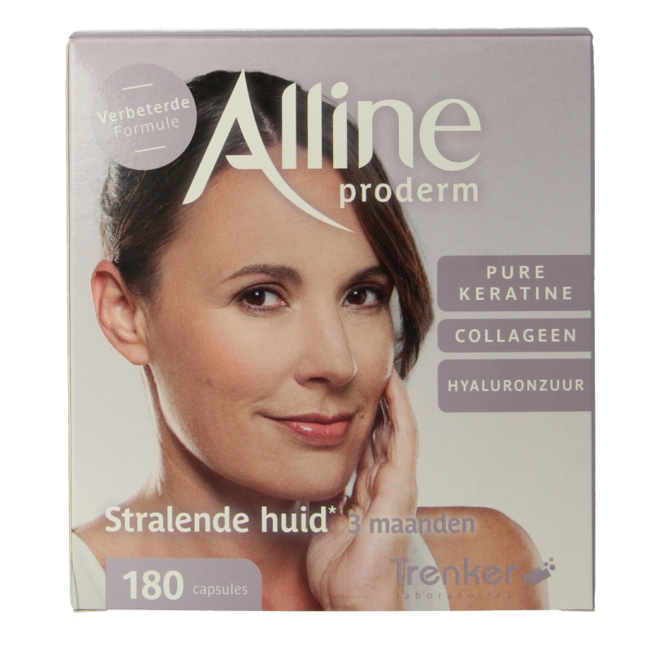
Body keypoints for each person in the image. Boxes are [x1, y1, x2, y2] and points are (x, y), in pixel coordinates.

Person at [72, 70, 547, 611]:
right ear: (125, 313)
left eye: (362, 295)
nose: (337, 362)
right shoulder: (83, 593)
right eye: (260, 296)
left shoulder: (480, 572)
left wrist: (368, 604)